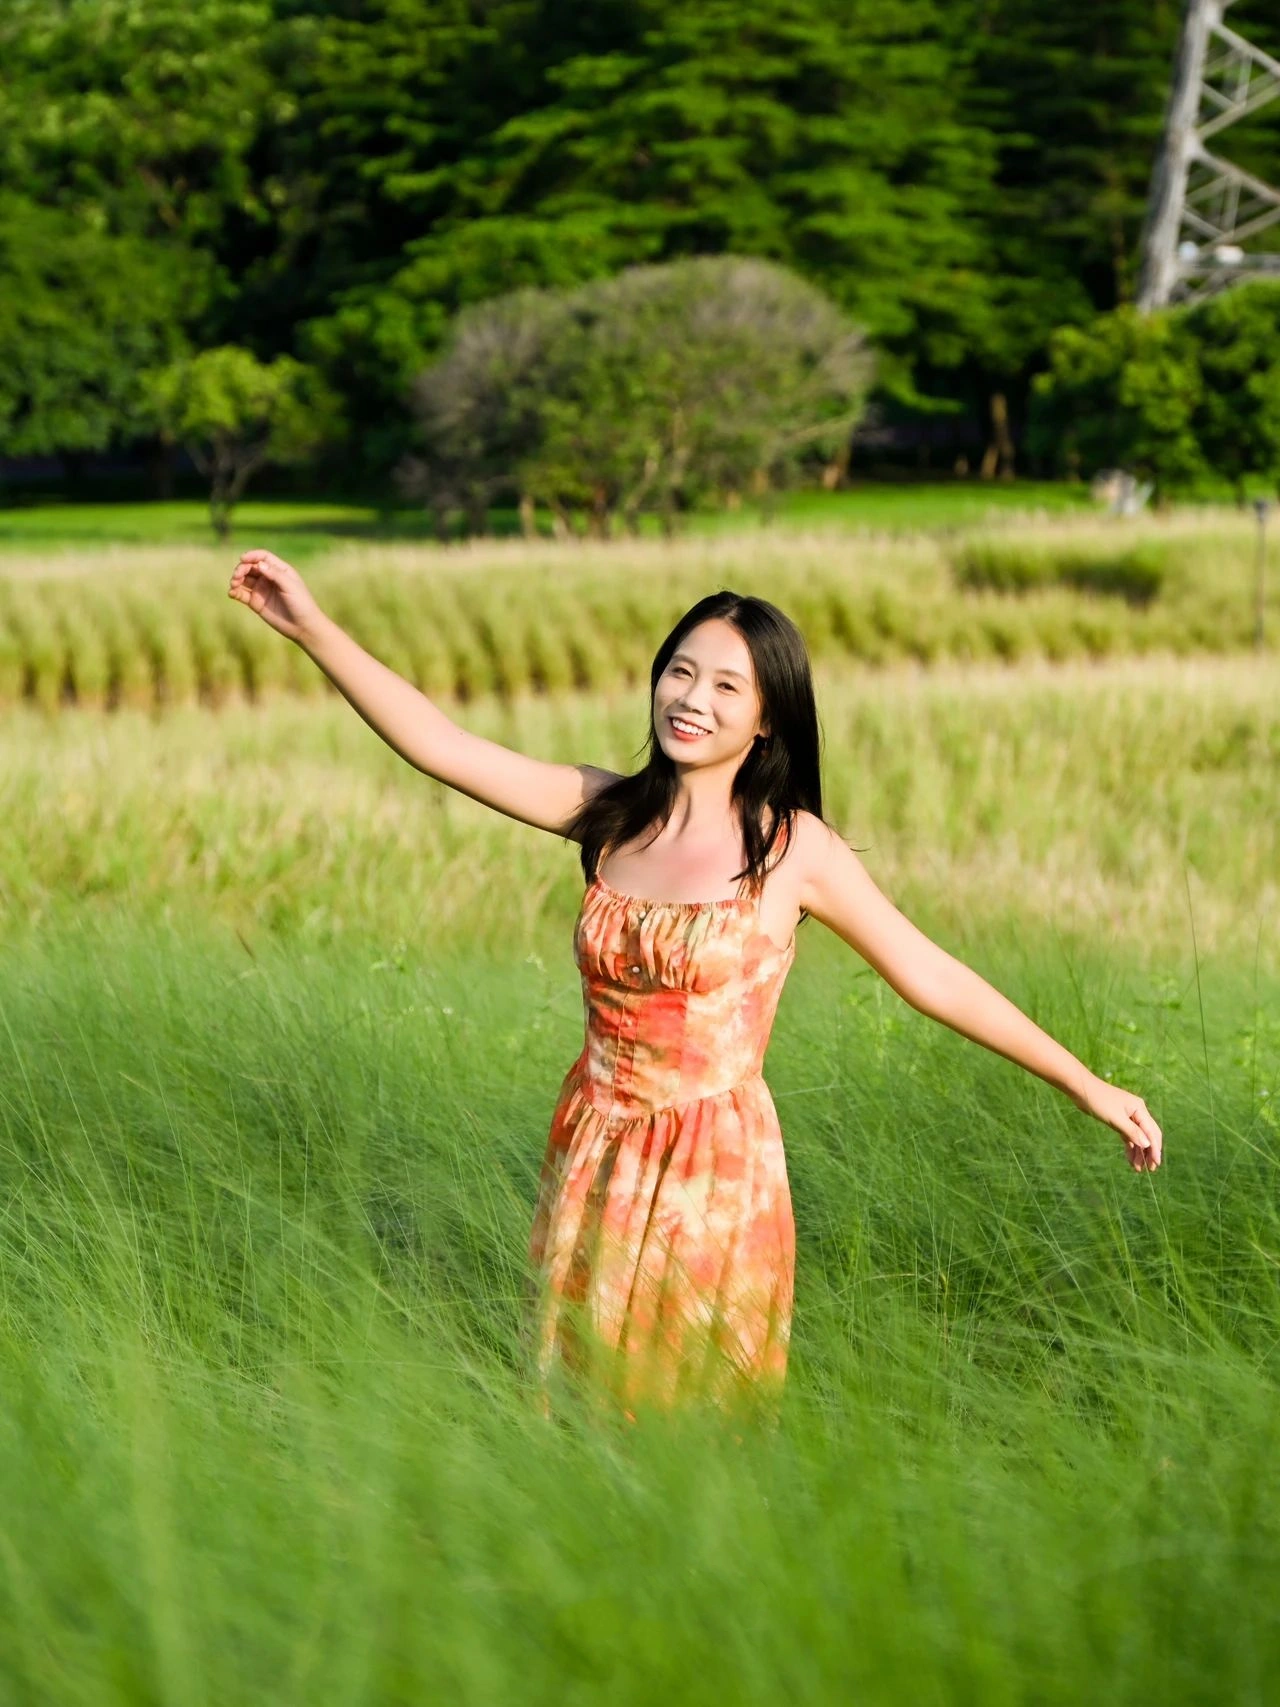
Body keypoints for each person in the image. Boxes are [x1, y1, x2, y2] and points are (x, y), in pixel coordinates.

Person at [227, 552, 1163, 1421]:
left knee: (685, 1416)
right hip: (592, 1143)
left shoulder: (794, 848)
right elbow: (439, 743)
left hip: (714, 1171)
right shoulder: (608, 813)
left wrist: (1088, 1083)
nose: (693, 699)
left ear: (766, 720)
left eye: (727, 686)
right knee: (573, 1400)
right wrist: (312, 626)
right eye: (681, 670)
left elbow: (931, 975)